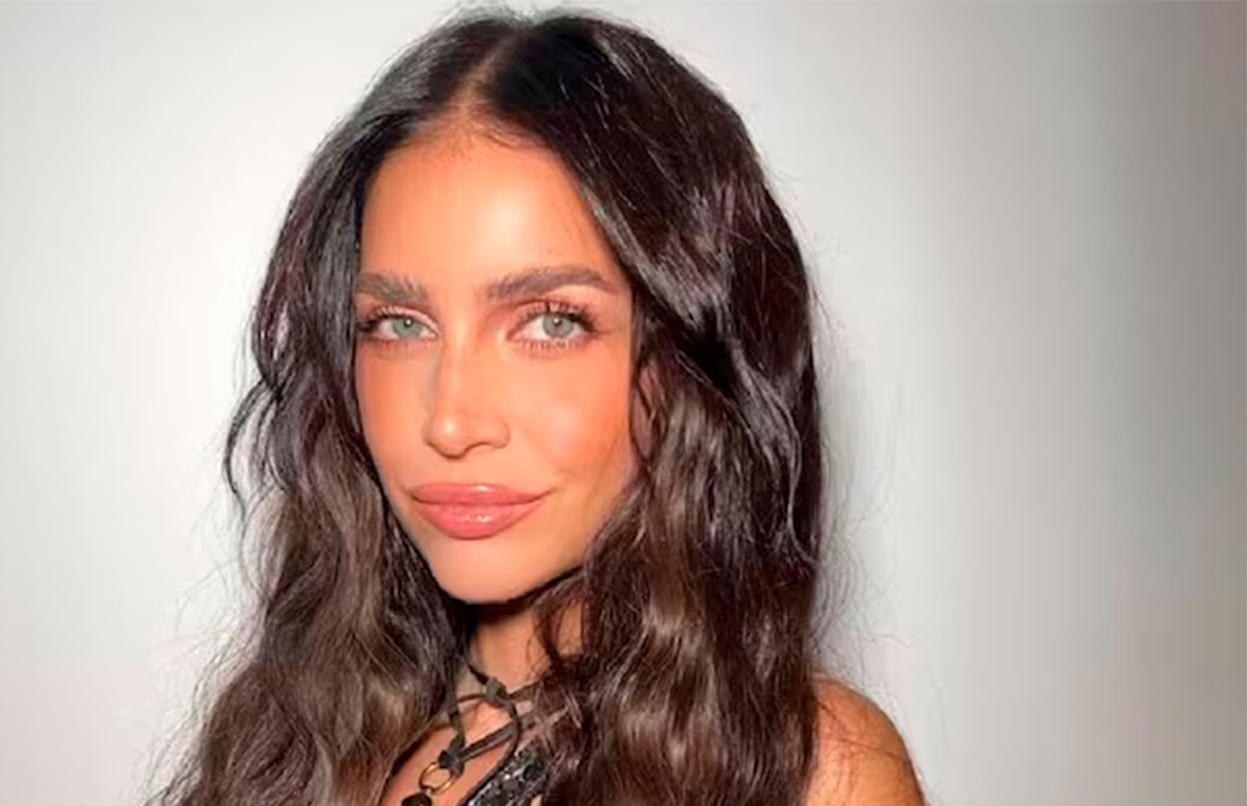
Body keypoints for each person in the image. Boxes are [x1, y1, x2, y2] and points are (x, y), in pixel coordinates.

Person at [153, 8, 924, 805]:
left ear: (689, 362)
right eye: (399, 324)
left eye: (551, 323)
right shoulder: (301, 739)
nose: (450, 422)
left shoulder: (810, 769)